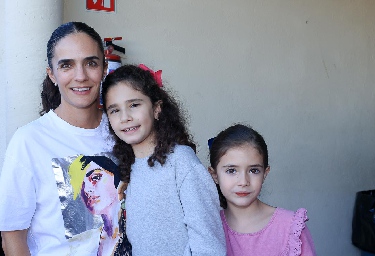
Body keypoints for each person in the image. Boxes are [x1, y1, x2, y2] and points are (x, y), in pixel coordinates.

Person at [0, 22, 129, 256]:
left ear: (104, 68)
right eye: (67, 65)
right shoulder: (29, 141)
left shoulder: (123, 129)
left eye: (91, 63)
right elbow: (12, 237)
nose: (81, 76)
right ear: (51, 74)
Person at [101, 64, 226, 256]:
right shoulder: (128, 168)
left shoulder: (181, 161)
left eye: (134, 105)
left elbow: (208, 244)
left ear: (157, 108)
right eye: (114, 110)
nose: (125, 117)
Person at [207, 124, 317, 256]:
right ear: (214, 175)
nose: (243, 182)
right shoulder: (208, 227)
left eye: (254, 170)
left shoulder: (290, 228)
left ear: (265, 173)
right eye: (231, 171)